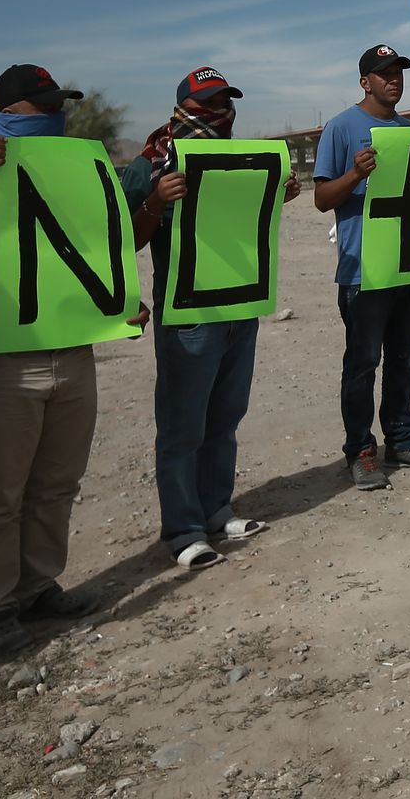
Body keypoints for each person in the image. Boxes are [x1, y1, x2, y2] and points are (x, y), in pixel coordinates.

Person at [0, 64, 140, 655]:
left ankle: (37, 586)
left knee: (57, 484)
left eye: (62, 105)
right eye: (44, 104)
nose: (57, 115)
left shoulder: (77, 165)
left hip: (72, 352)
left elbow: (88, 247)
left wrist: (119, 301)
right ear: (7, 111)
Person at [122, 67, 300, 570]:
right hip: (190, 313)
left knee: (226, 416)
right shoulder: (149, 164)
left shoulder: (241, 159)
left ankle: (217, 508)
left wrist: (277, 193)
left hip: (240, 304)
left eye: (225, 100)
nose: (219, 111)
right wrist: (156, 203)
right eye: (208, 102)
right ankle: (183, 530)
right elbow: (126, 241)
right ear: (184, 107)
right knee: (183, 424)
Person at [314, 44, 410, 489]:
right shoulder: (341, 128)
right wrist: (355, 175)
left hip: (408, 263)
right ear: (365, 81)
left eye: (398, 72)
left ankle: (402, 437)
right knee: (361, 364)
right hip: (365, 271)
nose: (393, 79)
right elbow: (321, 199)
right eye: (383, 73)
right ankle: (359, 450)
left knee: (403, 360)